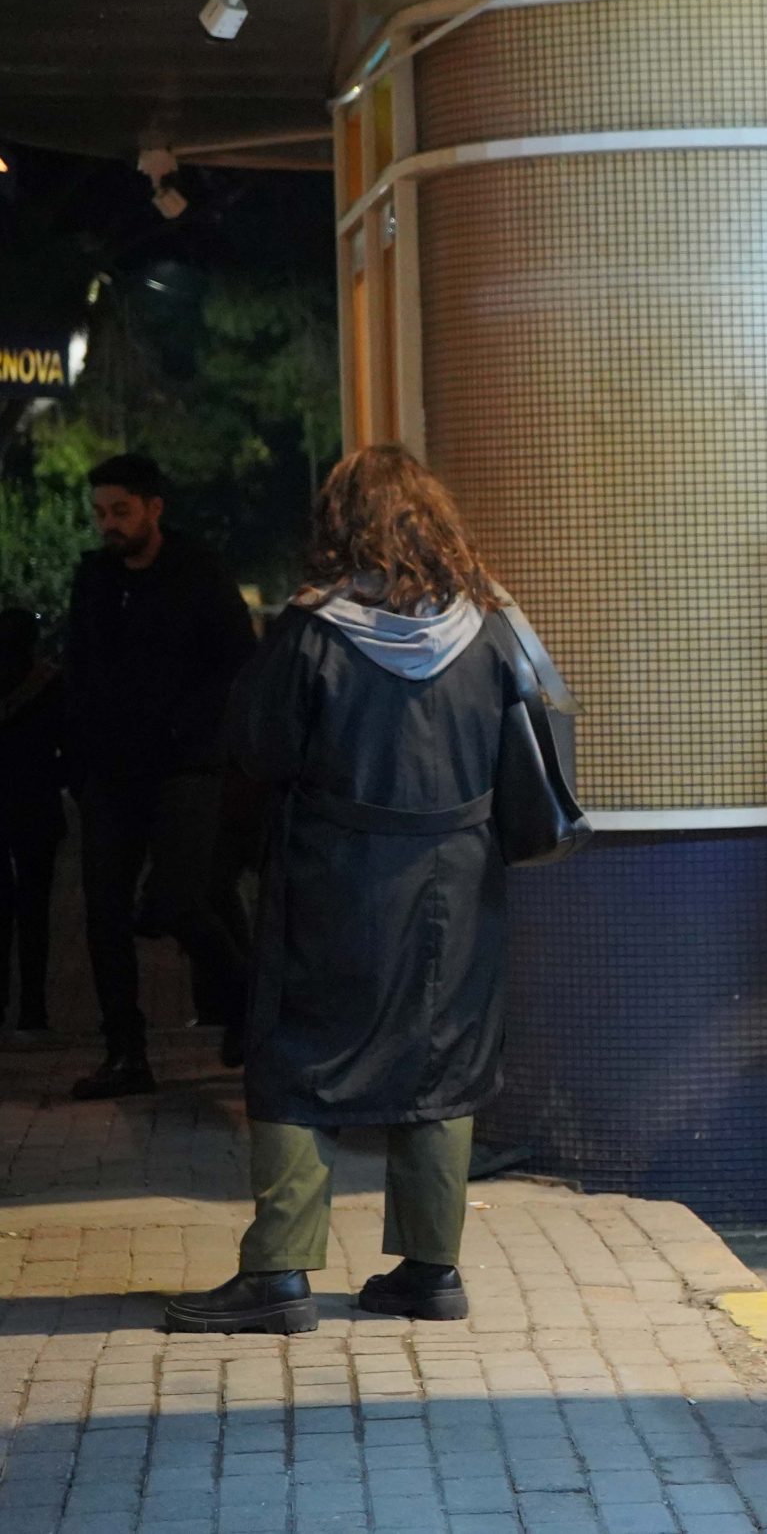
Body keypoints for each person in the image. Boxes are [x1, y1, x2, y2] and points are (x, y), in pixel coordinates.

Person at [165, 446, 524, 1335]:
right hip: (460, 879)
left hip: (340, 882)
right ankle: (431, 1270)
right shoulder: (489, 625)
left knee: (299, 1058)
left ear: (340, 525)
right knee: (441, 1059)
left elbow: (259, 746)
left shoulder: (316, 629)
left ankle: (280, 1275)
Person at [61, 453, 256, 1097]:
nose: (108, 525)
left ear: (153, 509)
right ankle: (125, 1052)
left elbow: (236, 659)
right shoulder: (95, 578)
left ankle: (249, 1005)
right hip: (111, 772)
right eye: (100, 514)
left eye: (119, 511)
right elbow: (80, 664)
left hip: (182, 766)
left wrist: (195, 731)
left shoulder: (196, 571)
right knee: (106, 912)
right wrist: (78, 753)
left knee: (181, 898)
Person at [0, 608, 66, 1036]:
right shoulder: (49, 683)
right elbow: (69, 741)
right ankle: (33, 1007)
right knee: (35, 911)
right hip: (38, 803)